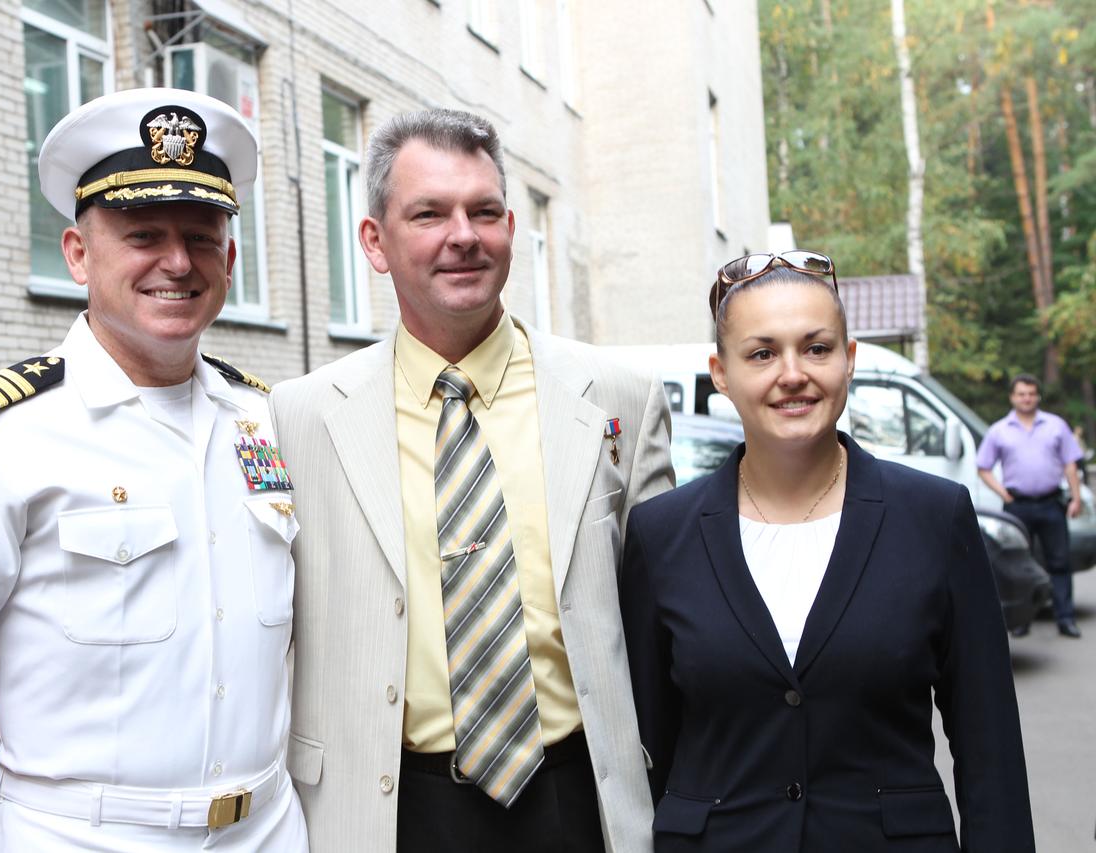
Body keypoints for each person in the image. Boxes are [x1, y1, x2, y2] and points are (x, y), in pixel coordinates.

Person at [0, 88, 307, 852]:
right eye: (143, 234)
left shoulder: (268, 420)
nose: (177, 262)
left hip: (269, 830)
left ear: (229, 259)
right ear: (78, 254)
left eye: (201, 236)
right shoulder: (0, 432)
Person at [270, 108, 674, 852]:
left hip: (578, 800)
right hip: (388, 809)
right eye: (429, 213)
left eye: (484, 211)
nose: (464, 235)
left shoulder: (617, 398)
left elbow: (666, 623)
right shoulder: (299, 418)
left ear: (511, 230)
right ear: (375, 241)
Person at [620, 252, 1034, 851]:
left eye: (817, 348)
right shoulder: (662, 534)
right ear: (722, 374)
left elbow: (989, 746)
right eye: (762, 353)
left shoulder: (934, 517)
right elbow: (647, 748)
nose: (793, 373)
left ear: (850, 360)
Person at [977, 374, 1085, 638]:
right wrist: (1003, 493)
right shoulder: (999, 430)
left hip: (1051, 503)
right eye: (1021, 393)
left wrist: (1076, 498)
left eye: (1031, 393)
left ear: (1038, 396)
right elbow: (983, 467)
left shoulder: (1056, 425)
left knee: (1059, 562)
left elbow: (1071, 464)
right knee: (1018, 563)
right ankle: (1022, 620)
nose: (1027, 398)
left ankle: (1065, 618)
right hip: (1018, 506)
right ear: (1012, 397)